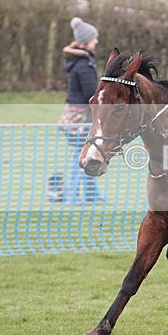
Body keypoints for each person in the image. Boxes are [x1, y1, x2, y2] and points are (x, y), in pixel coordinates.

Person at [58, 17, 104, 204]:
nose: (96, 41)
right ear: (86, 41)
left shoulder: (80, 61)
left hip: (73, 115)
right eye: (94, 38)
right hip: (80, 117)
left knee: (88, 153)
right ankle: (72, 196)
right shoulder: (84, 64)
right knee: (83, 155)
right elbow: (89, 94)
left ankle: (91, 195)